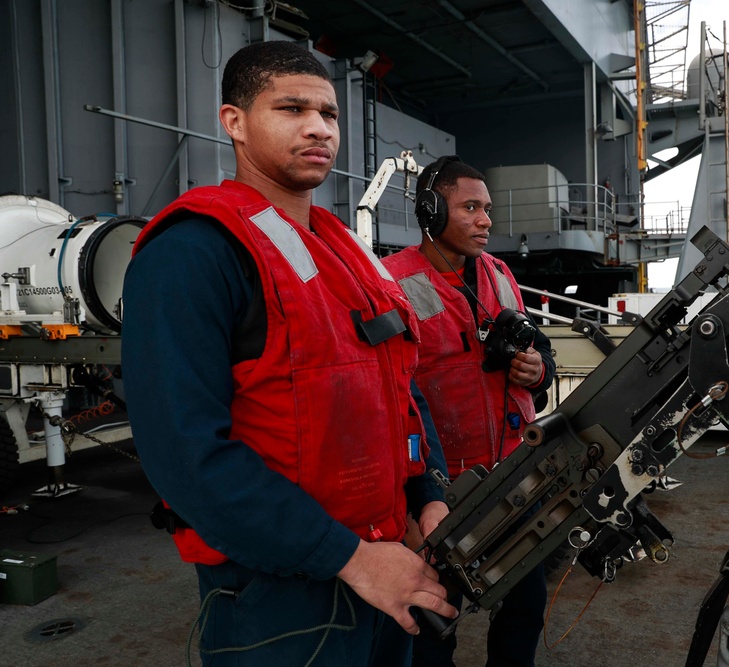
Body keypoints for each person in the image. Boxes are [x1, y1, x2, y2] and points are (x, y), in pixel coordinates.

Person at [120, 40, 457, 666]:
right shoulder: (191, 254)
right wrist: (350, 558)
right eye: (291, 108)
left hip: (389, 568)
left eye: (329, 114)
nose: (317, 128)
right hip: (282, 598)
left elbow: (399, 387)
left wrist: (426, 496)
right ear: (235, 122)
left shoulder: (348, 253)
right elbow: (186, 456)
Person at [383, 155, 556, 667]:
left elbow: (538, 347)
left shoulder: (499, 274)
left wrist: (537, 370)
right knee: (435, 620)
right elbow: (390, 399)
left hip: (514, 474)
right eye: (471, 207)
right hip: (442, 487)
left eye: (487, 208)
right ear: (432, 211)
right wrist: (418, 501)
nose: (486, 221)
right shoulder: (390, 284)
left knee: (525, 605)